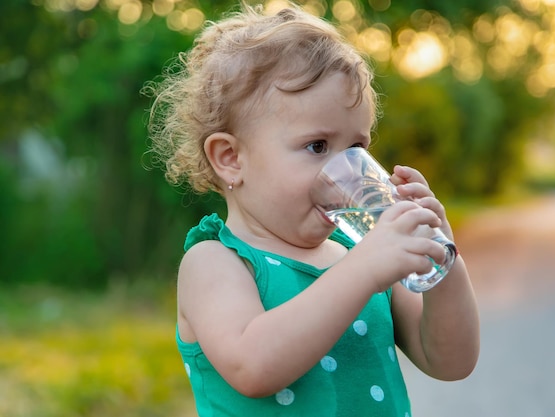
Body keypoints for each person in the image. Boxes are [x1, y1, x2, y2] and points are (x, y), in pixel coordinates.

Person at [146, 3, 479, 416]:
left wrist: (441, 258)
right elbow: (254, 367)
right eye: (317, 146)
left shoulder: (363, 253)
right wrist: (363, 271)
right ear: (231, 158)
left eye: (356, 148)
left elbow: (450, 360)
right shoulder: (214, 264)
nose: (345, 172)